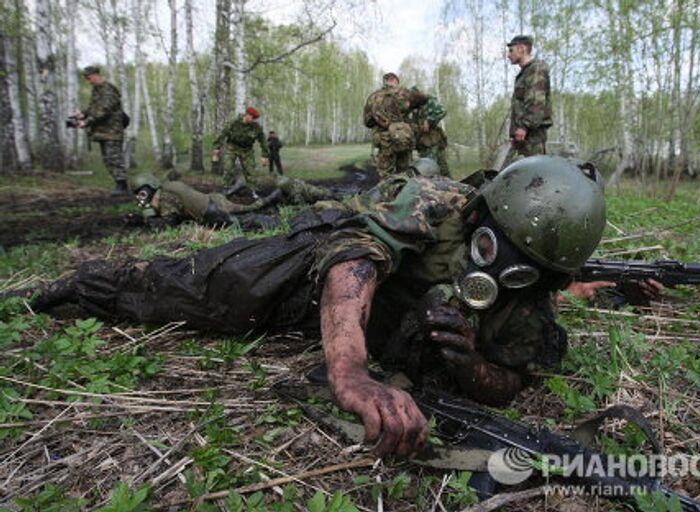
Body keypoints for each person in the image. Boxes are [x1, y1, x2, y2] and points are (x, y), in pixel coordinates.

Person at [16, 156, 608, 457]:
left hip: (381, 323)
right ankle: (85, 285)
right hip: (320, 274)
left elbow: (511, 378)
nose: (495, 276)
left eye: (522, 273)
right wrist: (349, 372)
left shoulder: (532, 301)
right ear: (478, 215)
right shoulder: (437, 200)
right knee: (198, 287)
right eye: (486, 250)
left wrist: (468, 364)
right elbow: (355, 252)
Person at [128, 173, 333, 229]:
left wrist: (146, 220)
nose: (142, 198)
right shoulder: (168, 188)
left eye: (143, 193)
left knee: (247, 217)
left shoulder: (165, 196)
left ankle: (274, 207)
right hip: (212, 200)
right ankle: (272, 200)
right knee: (246, 209)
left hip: (213, 210)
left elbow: (169, 222)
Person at [75, 65, 129, 196]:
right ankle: (120, 185)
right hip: (103, 132)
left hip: (112, 131)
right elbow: (94, 108)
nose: (88, 81)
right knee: (108, 159)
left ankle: (122, 186)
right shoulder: (97, 90)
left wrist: (86, 122)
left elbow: (104, 111)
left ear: (95, 75)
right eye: (86, 79)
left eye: (89, 78)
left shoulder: (108, 90)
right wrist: (83, 114)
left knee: (114, 158)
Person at [503, 35, 552, 166]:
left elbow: (536, 102)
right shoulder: (525, 72)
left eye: (511, 50)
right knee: (513, 173)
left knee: (535, 174)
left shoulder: (535, 69)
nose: (508, 55)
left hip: (531, 135)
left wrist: (524, 126)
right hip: (523, 135)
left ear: (522, 49)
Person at [363, 73, 423, 179]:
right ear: (396, 81)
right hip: (403, 138)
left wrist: (381, 121)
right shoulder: (404, 93)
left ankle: (388, 194)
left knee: (386, 176)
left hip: (384, 140)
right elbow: (423, 99)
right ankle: (402, 194)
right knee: (404, 174)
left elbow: (367, 121)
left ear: (385, 81)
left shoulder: (373, 97)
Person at [212, 107, 269, 194]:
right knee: (228, 168)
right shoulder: (234, 123)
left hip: (247, 150)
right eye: (252, 117)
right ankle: (226, 189)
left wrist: (264, 155)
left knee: (250, 171)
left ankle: (253, 191)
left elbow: (263, 140)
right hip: (232, 148)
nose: (253, 120)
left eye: (255, 118)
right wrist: (216, 147)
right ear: (247, 115)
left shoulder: (255, 127)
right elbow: (222, 134)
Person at [410, 91, 450, 177]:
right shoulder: (413, 107)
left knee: (430, 168)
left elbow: (442, 111)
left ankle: (449, 187)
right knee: (441, 167)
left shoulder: (429, 101)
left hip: (432, 140)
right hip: (422, 143)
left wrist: (429, 120)